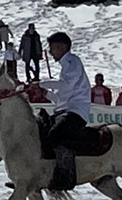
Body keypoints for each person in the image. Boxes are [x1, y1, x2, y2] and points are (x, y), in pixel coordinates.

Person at [36, 32, 92, 190]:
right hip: (65, 110)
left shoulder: (72, 61)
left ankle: (67, 177)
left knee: (55, 135)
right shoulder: (67, 66)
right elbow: (61, 98)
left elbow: (65, 85)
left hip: (76, 111)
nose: (51, 51)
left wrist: (41, 84)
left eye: (53, 48)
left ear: (63, 47)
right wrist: (45, 93)